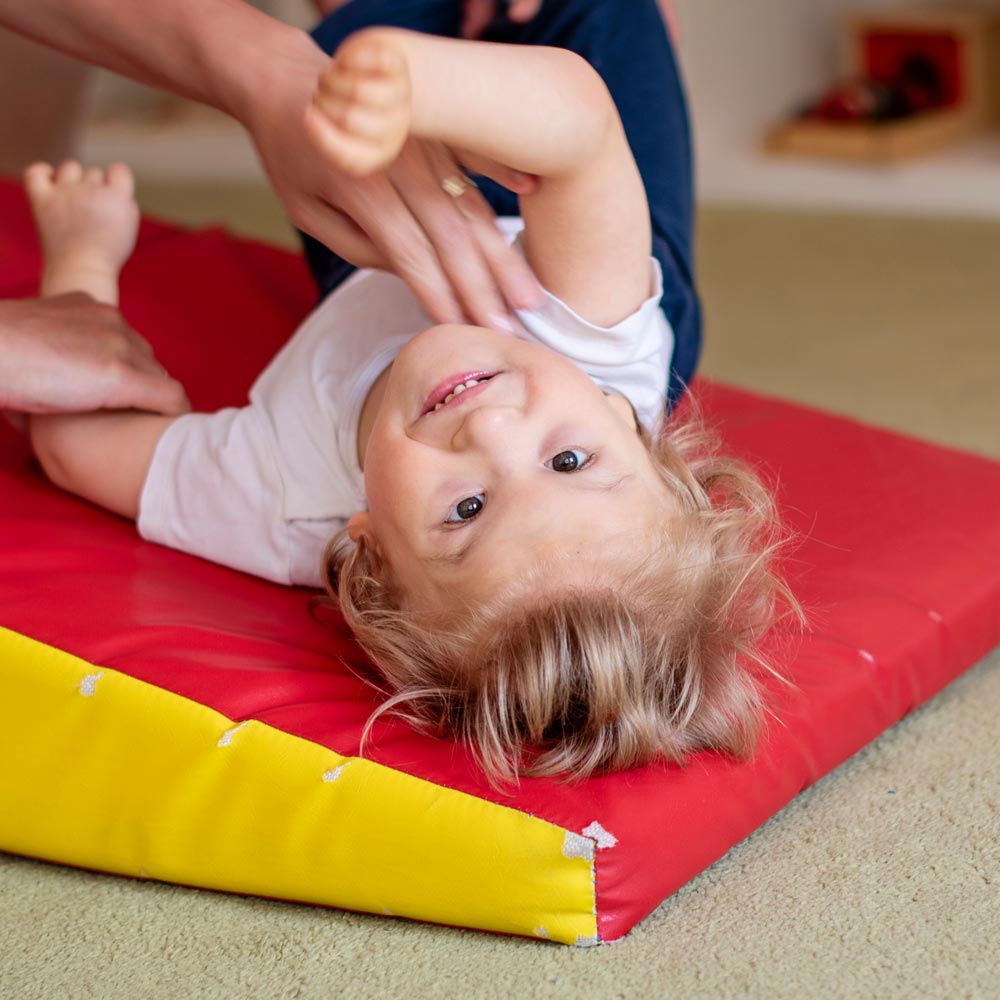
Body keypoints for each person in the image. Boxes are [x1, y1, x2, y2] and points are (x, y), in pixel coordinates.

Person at [26, 0, 793, 783]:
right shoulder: (592, 332)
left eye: (467, 511)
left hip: (379, 266)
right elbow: (580, 125)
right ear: (623, 424)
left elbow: (76, 442)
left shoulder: (282, 503)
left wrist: (82, 258)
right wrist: (420, 83)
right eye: (567, 460)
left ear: (369, 556)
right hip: (548, 242)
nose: (489, 427)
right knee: (597, 18)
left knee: (346, 57)